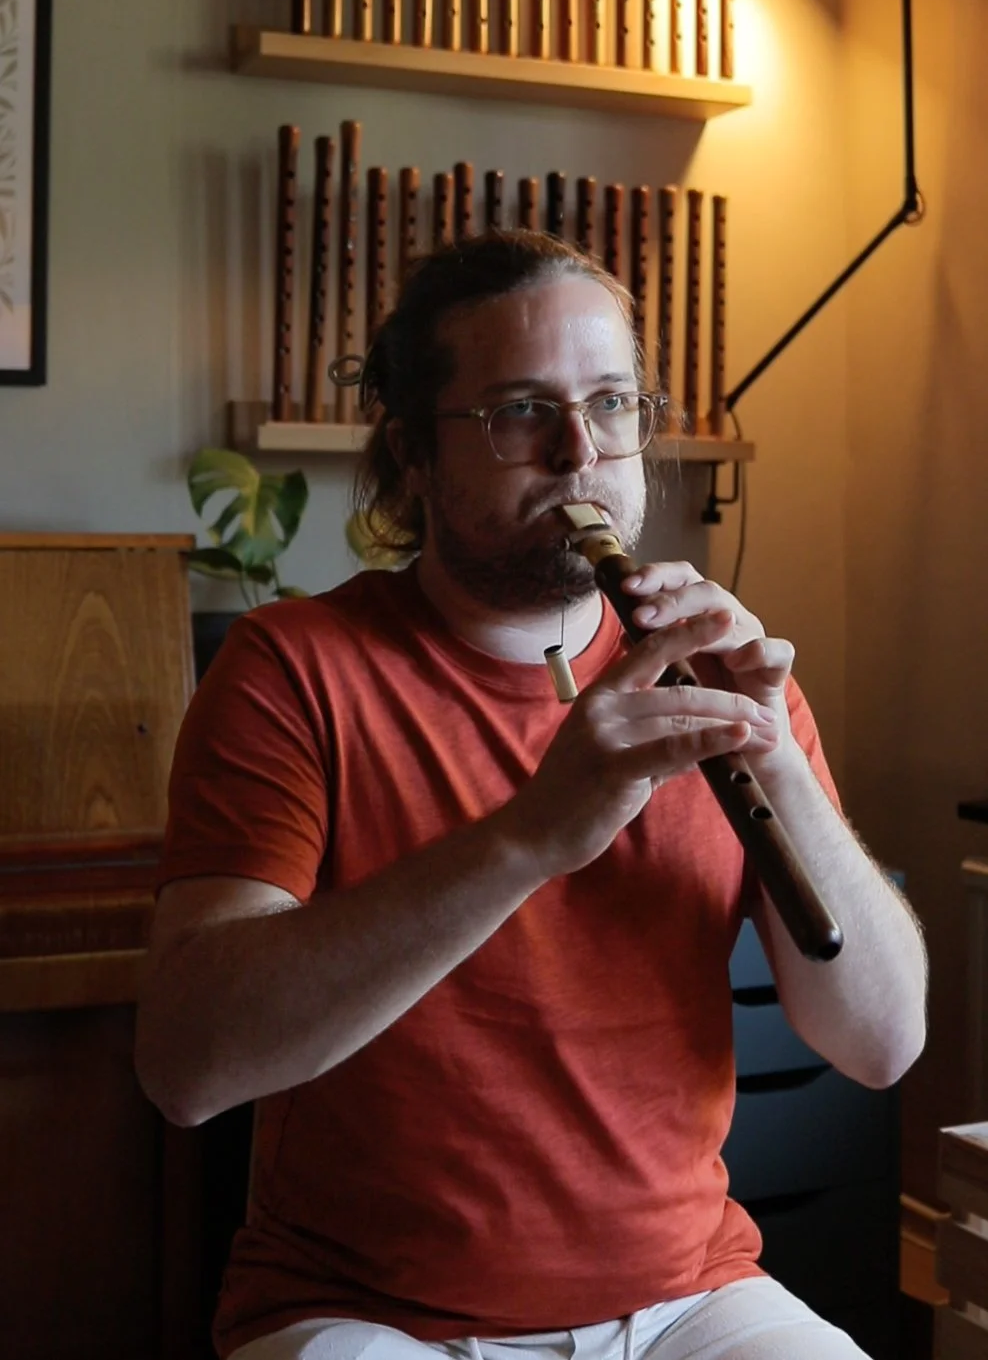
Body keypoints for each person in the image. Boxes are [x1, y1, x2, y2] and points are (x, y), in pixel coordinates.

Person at [136, 230, 927, 1360]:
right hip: (369, 1311)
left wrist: (778, 760)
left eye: (611, 404)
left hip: (688, 1295)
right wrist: (526, 838)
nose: (579, 452)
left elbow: (884, 1043)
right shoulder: (292, 668)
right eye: (519, 411)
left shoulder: (720, 669)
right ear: (412, 453)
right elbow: (186, 1067)